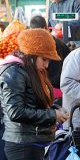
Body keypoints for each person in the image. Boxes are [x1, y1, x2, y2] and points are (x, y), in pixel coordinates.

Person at [0, 29, 69, 160]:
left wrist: (54, 110)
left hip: (32, 143)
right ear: (31, 55)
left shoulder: (28, 72)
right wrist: (52, 115)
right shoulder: (14, 73)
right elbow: (15, 112)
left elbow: (32, 104)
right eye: (44, 59)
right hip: (21, 146)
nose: (46, 65)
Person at [30, 15, 70, 90]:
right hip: (52, 86)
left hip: (54, 86)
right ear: (46, 28)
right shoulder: (58, 43)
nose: (46, 65)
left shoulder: (31, 47)